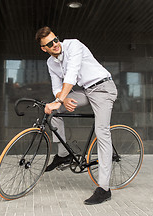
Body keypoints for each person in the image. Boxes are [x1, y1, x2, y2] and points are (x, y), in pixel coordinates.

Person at [35, 26, 118, 205]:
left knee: (102, 132)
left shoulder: (73, 45)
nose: (55, 44)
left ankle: (104, 189)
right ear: (44, 49)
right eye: (50, 43)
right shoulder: (51, 63)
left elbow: (71, 74)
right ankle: (64, 154)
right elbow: (57, 88)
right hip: (86, 91)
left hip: (103, 88)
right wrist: (61, 101)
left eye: (55, 39)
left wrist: (60, 99)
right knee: (55, 113)